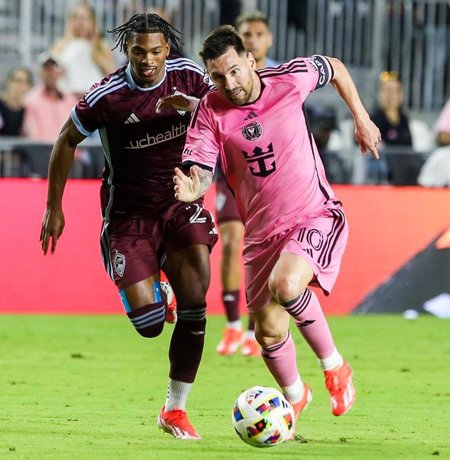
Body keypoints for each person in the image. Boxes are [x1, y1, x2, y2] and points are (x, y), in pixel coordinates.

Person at [174, 26, 381, 430]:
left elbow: (335, 67)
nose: (228, 83)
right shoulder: (210, 110)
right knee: (267, 332)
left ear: (250, 60)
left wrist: (361, 116)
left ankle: (335, 367)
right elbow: (200, 169)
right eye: (218, 77)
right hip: (260, 234)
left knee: (287, 285)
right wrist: (191, 190)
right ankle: (294, 396)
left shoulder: (289, 80)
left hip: (312, 213)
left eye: (234, 71)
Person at [39, 13, 216, 440]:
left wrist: (195, 111)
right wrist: (53, 207)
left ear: (167, 49)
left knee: (197, 299)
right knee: (150, 324)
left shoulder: (189, 77)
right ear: (127, 51)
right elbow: (66, 139)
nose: (148, 60)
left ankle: (175, 409)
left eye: (156, 51)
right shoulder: (107, 96)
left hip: (180, 203)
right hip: (128, 217)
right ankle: (159, 293)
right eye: (139, 51)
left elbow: (222, 113)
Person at [214, 10, 281, 358]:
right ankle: (231, 326)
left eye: (258, 34)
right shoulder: (226, 78)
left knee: (269, 250)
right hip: (231, 174)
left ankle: (260, 326)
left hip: (271, 178)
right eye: (246, 34)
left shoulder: (280, 79)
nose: (252, 39)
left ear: (267, 41)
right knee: (230, 241)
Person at [50, 2, 117, 96]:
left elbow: (112, 75)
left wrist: (95, 50)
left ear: (93, 22)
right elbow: (53, 71)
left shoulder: (102, 45)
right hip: (67, 97)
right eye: (76, 18)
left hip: (93, 98)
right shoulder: (60, 44)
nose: (80, 22)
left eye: (84, 18)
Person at [22, 54, 79, 142]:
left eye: (54, 68)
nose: (50, 72)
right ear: (39, 72)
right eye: (46, 68)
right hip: (41, 152)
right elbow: (30, 132)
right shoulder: (30, 100)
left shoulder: (70, 100)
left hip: (69, 153)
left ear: (60, 72)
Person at [0, 67, 33, 137]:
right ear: (8, 82)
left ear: (29, 87)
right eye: (18, 81)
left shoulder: (26, 111)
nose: (20, 86)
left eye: (25, 82)